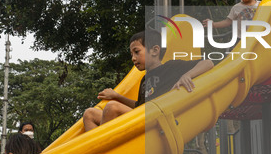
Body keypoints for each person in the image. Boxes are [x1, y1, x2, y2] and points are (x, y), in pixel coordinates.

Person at [83, 29, 214, 131]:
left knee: (112, 107)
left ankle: (100, 148)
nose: (133, 58)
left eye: (137, 52)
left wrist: (187, 75)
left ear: (155, 50)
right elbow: (138, 106)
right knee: (89, 114)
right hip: (140, 117)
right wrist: (116, 96)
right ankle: (97, 148)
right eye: (131, 54)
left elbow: (208, 63)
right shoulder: (145, 79)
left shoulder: (170, 67)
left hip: (156, 121)